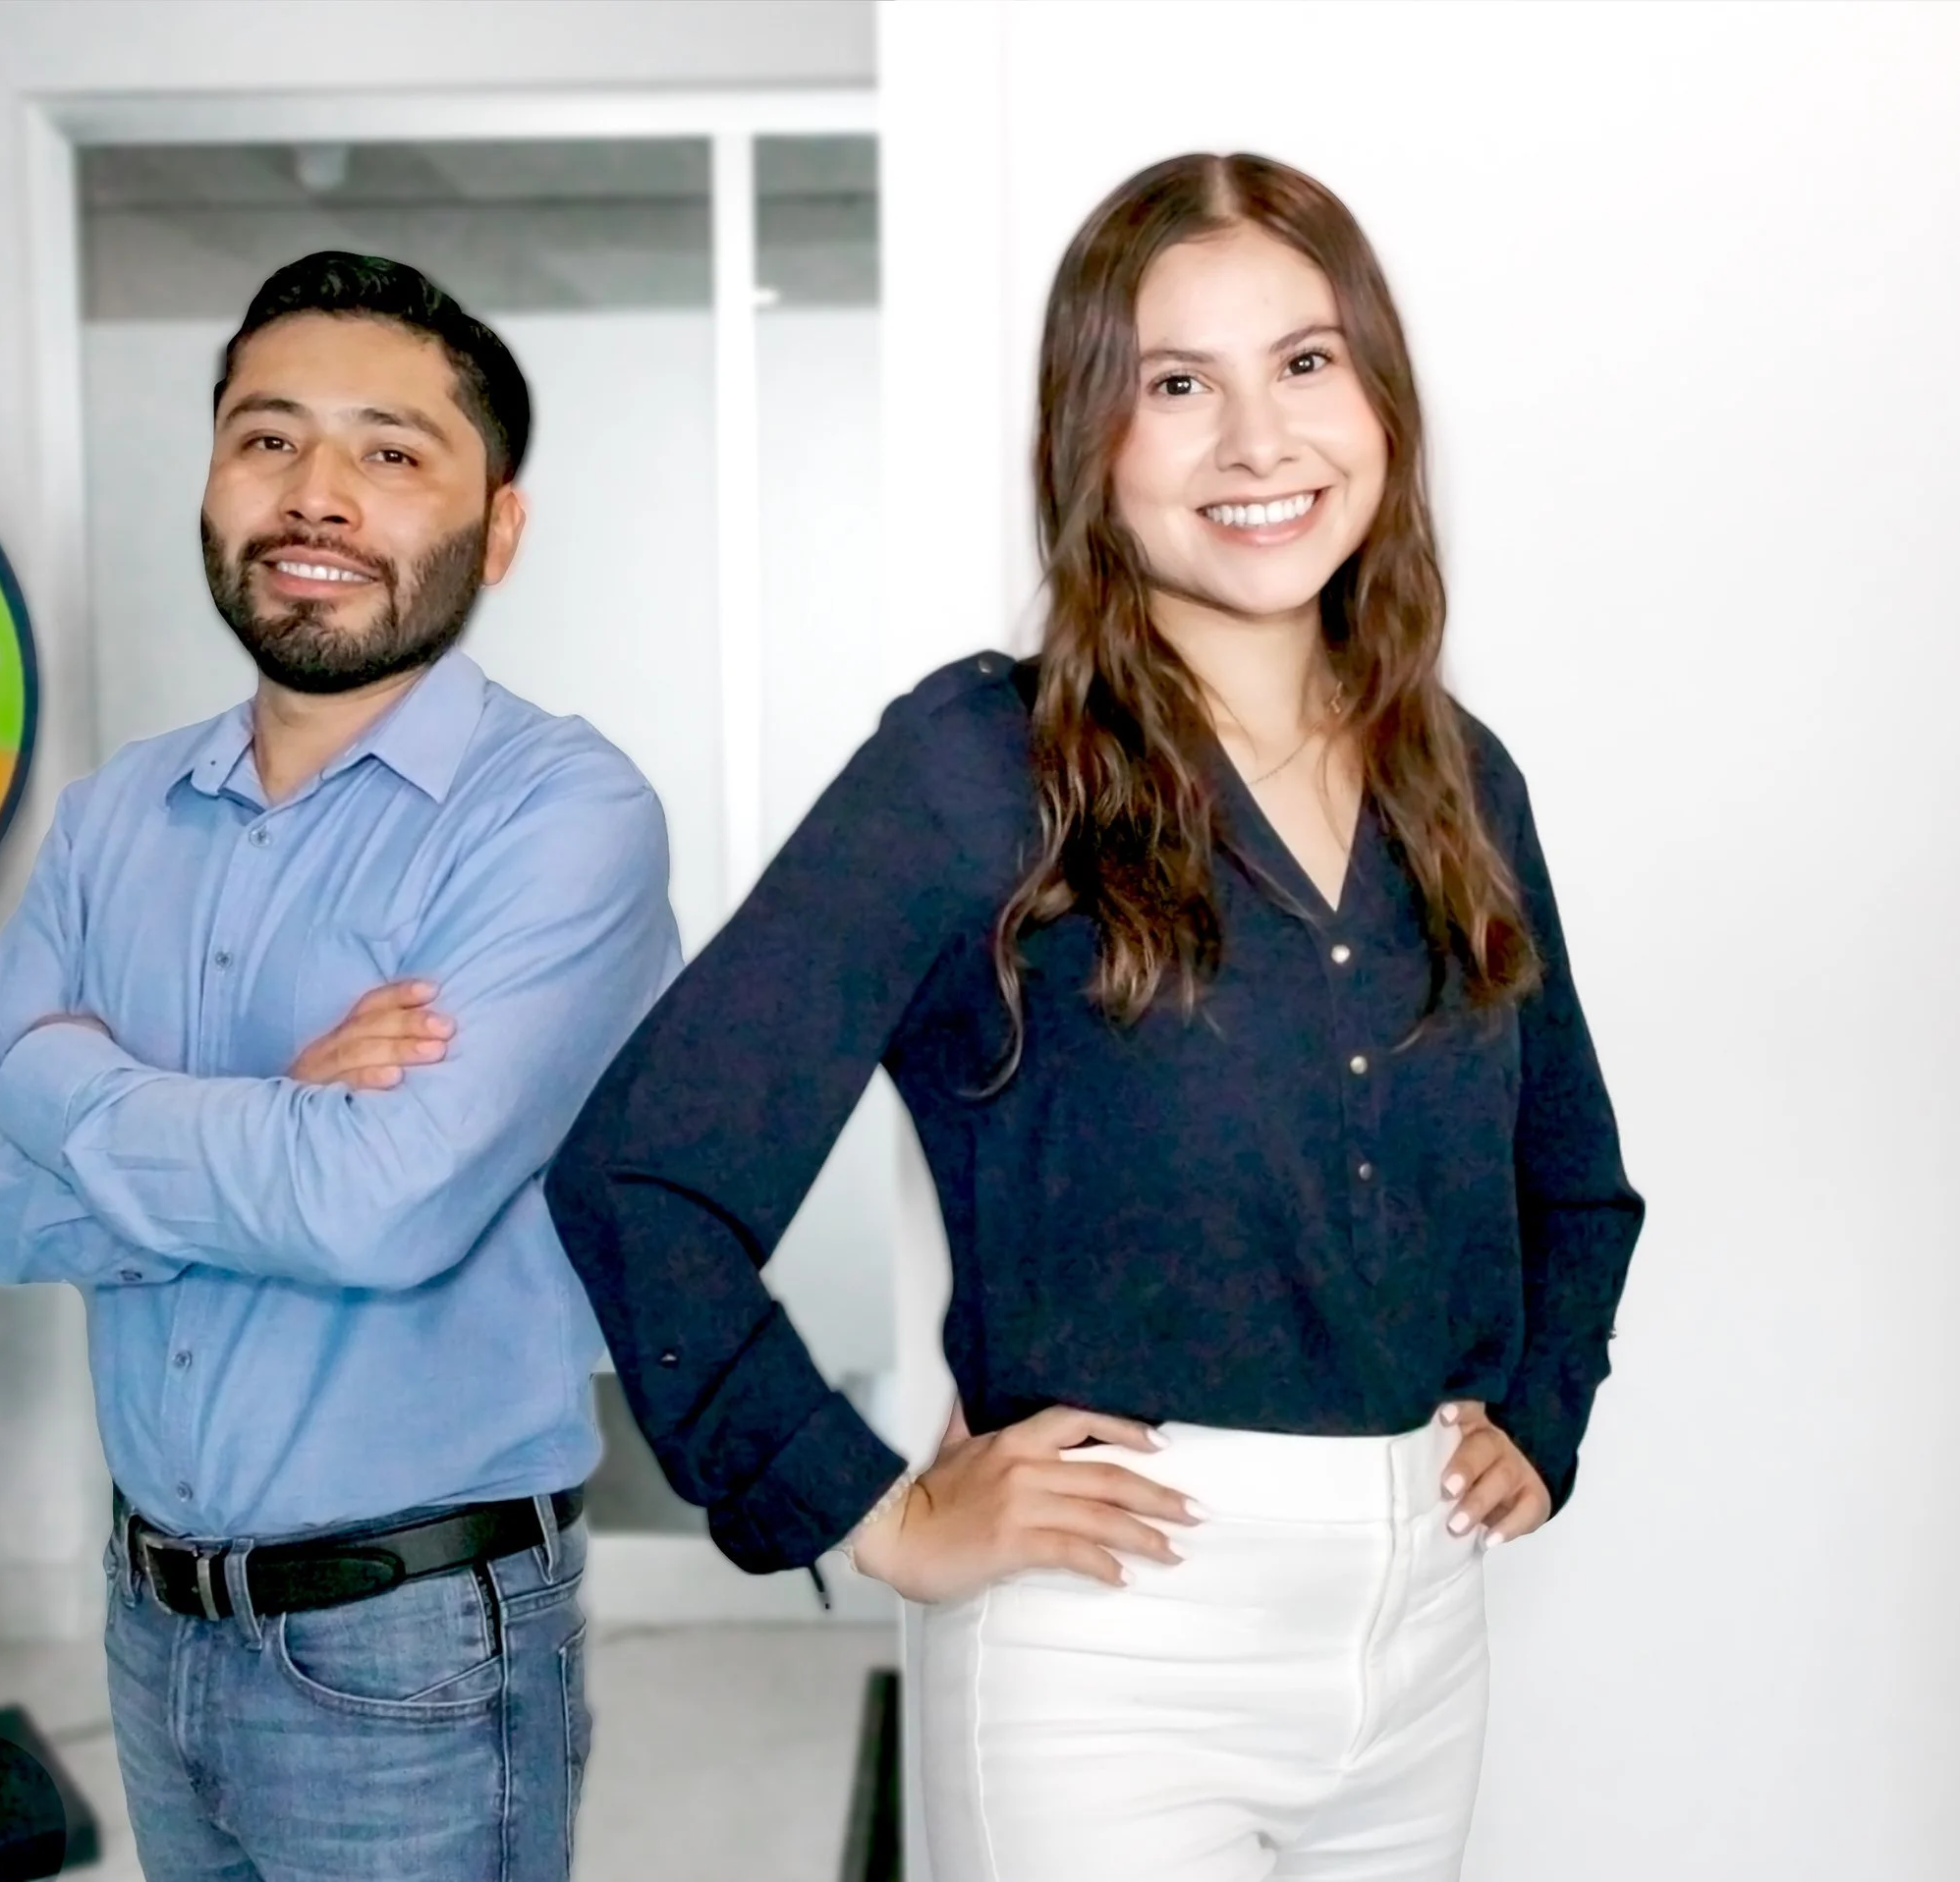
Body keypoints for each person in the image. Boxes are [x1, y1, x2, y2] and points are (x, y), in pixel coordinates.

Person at [544, 153, 1644, 1881]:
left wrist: (1548, 1410)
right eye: (1174, 385)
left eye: (1305, 363)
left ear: (1380, 401)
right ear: (1089, 443)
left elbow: (1575, 1184)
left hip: (1423, 1634)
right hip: (1111, 1650)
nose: (1257, 443)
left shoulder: (1460, 777)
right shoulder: (973, 769)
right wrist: (873, 1510)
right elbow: (643, 1174)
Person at [0, 251, 679, 1882]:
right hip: (153, 1617)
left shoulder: (562, 815)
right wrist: (268, 1129)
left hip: (414, 1645)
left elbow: (380, 1210)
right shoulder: (117, 815)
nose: (316, 495)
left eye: (391, 453)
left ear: (498, 526)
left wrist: (67, 1086)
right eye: (267, 440)